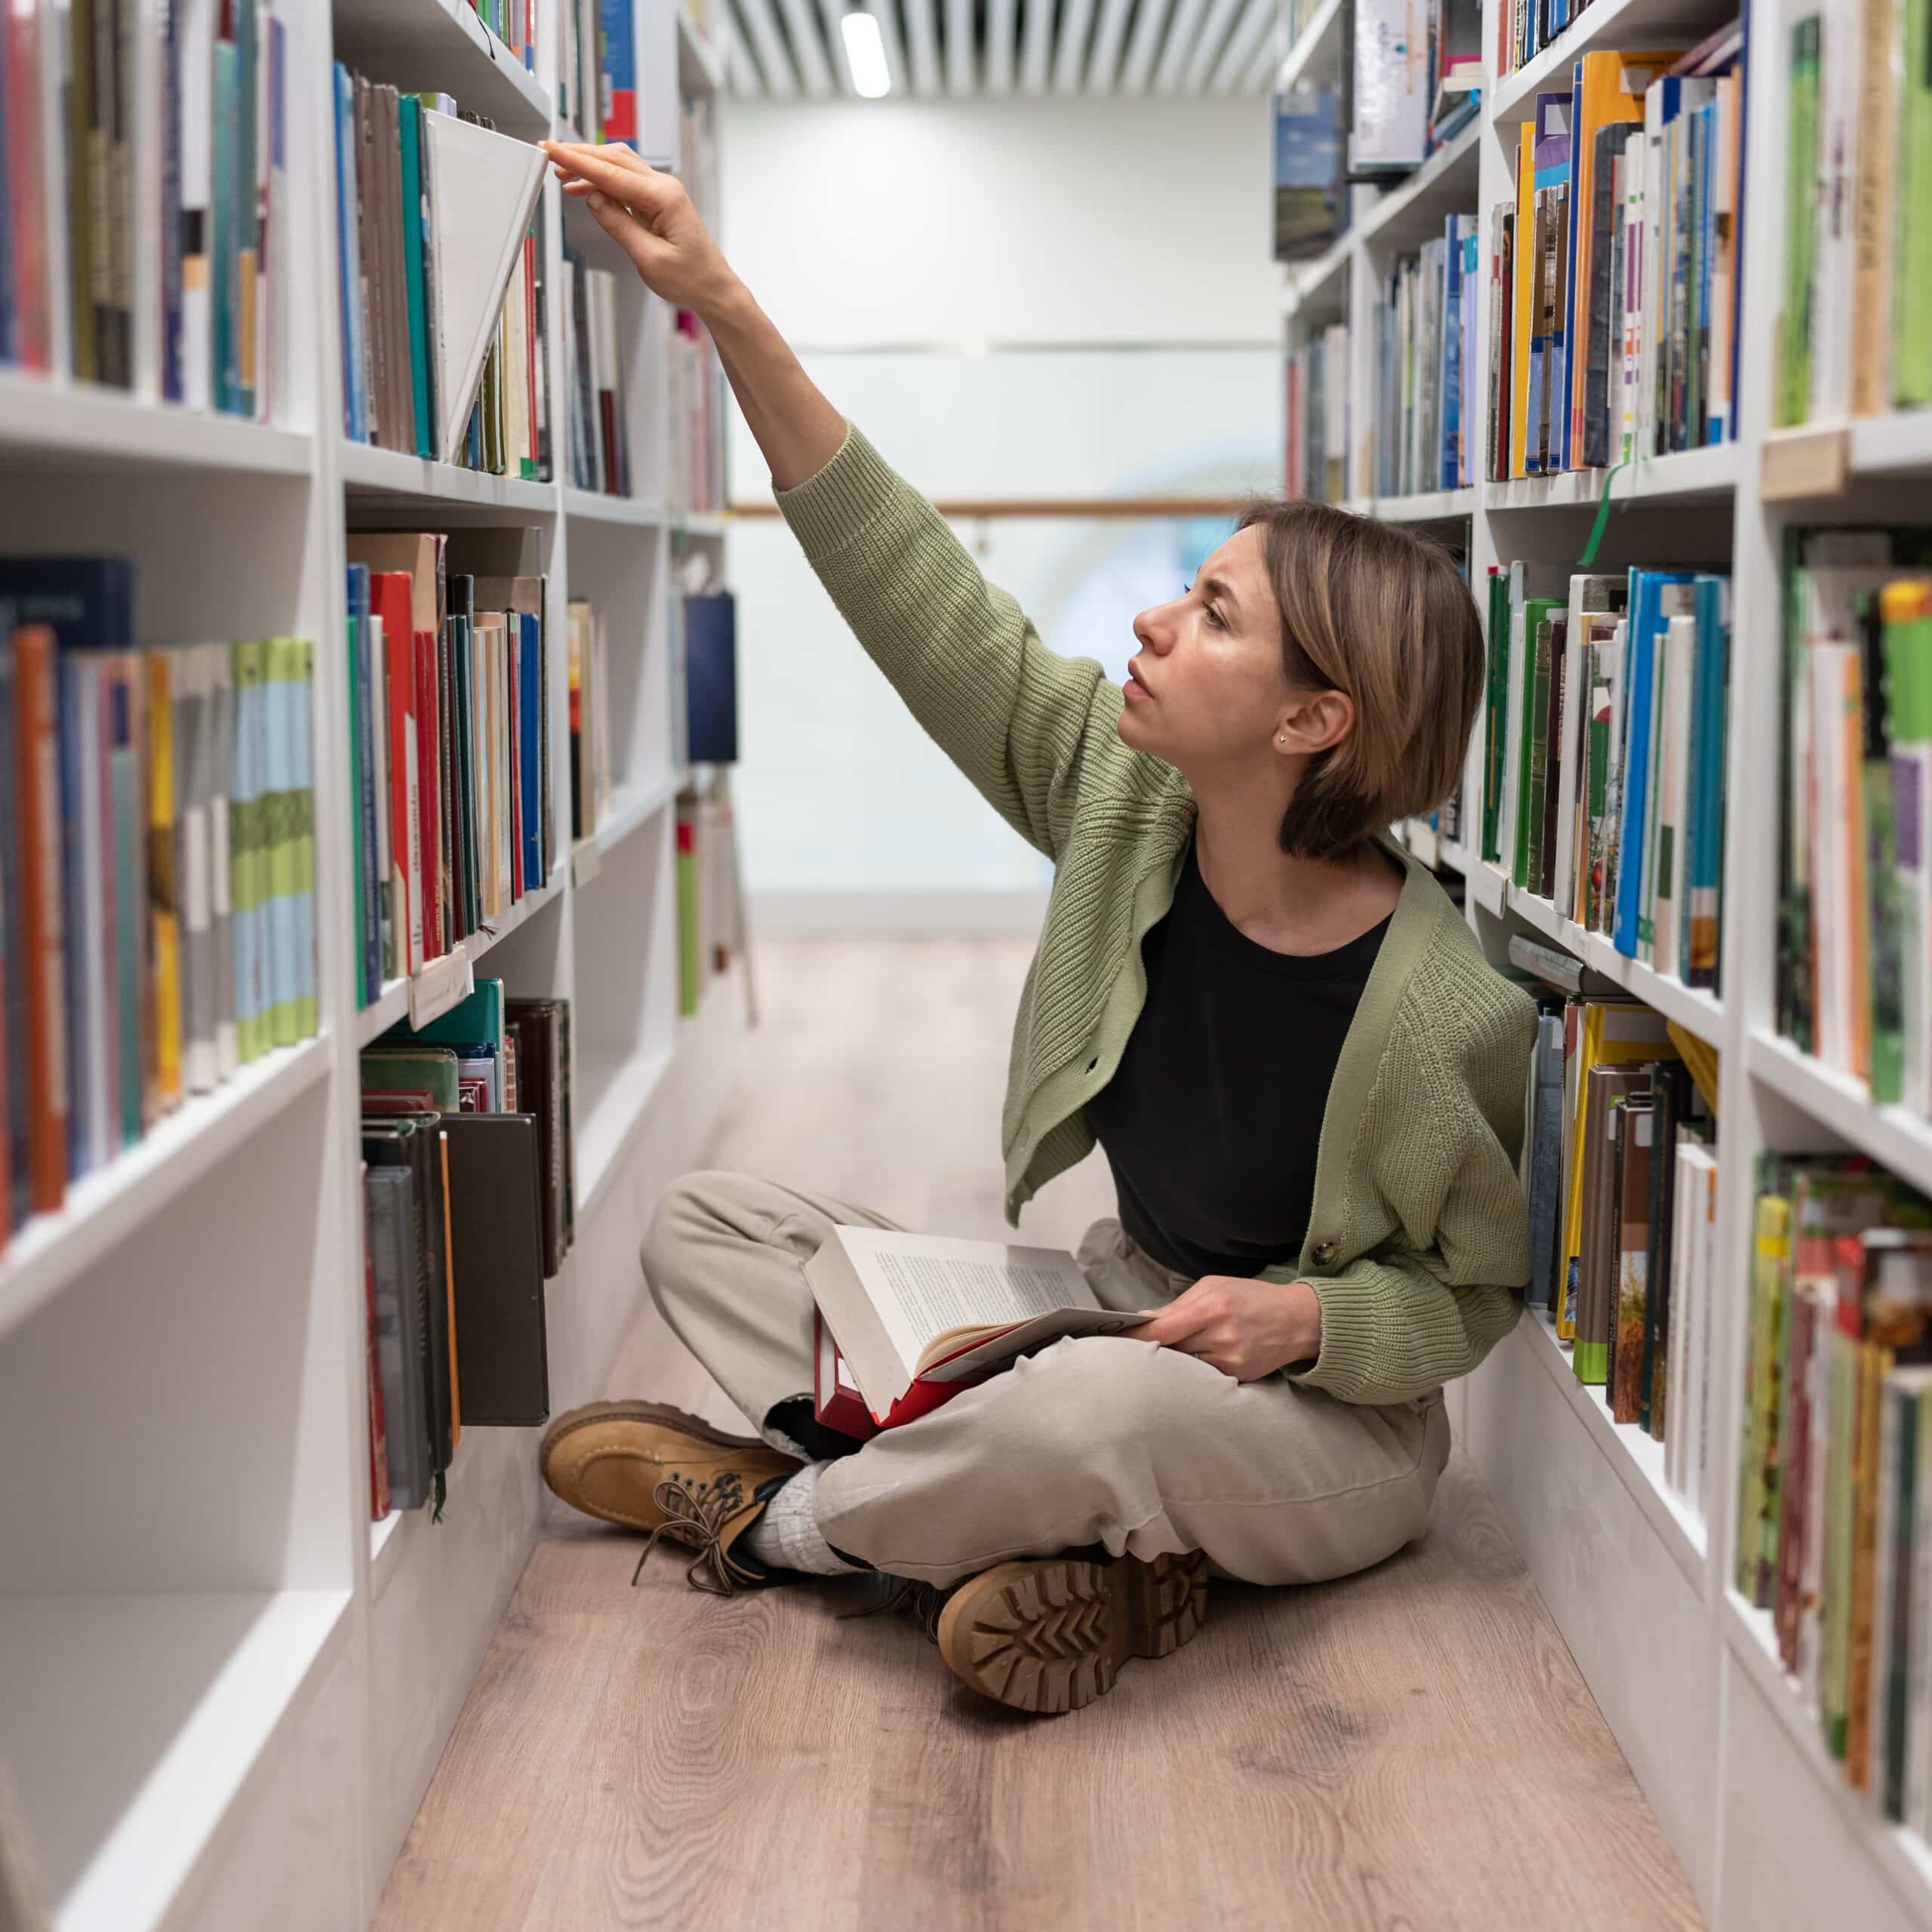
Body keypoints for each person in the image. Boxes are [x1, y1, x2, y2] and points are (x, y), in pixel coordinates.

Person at [535, 139, 1537, 1717]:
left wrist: (1308, 1315)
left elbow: (1477, 1291)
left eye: (1212, 611)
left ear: (1313, 718)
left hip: (1308, 1432)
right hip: (1107, 1303)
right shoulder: (1118, 795)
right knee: (708, 1227)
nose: (1151, 618)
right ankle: (1075, 1560)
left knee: (1076, 1419)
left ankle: (789, 1516)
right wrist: (722, 300)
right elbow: (911, 583)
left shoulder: (1436, 1008)